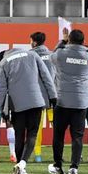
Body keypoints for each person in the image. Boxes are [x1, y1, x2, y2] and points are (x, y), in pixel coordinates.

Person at [0, 42, 57, 174]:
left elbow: (2, 89)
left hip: (17, 105)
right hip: (36, 101)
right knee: (32, 134)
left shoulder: (4, 62)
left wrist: (2, 110)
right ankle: (22, 165)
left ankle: (21, 168)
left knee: (19, 136)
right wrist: (53, 96)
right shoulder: (33, 54)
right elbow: (46, 77)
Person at [49, 29, 88, 174]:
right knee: (77, 137)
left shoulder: (61, 54)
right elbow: (83, 49)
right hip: (81, 102)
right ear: (83, 41)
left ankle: (57, 166)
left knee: (58, 135)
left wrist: (62, 41)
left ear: (69, 40)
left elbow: (52, 56)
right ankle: (74, 168)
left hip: (62, 101)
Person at [30, 31, 55, 163]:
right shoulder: (52, 55)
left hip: (37, 97)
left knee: (37, 127)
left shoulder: (31, 55)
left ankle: (38, 155)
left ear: (34, 42)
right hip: (52, 97)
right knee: (57, 126)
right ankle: (58, 154)